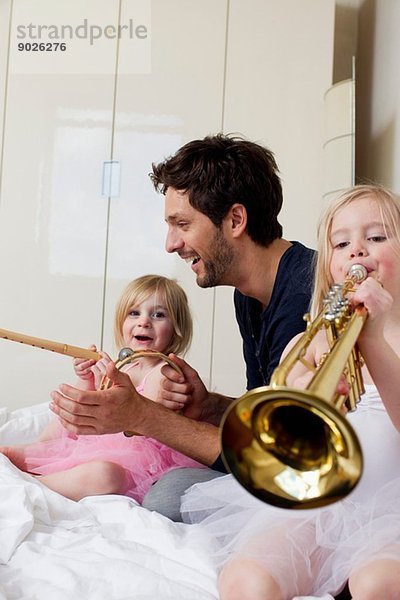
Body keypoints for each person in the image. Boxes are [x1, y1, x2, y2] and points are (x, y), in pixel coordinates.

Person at [49, 134, 315, 519]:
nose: (171, 244)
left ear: (236, 220)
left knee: (169, 495)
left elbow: (277, 457)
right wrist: (209, 406)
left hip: (301, 474)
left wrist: (141, 416)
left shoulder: (306, 294)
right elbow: (268, 416)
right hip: (282, 454)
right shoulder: (249, 294)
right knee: (170, 491)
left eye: (182, 224)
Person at [181, 183, 400, 600]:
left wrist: (371, 339)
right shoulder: (310, 340)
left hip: (393, 510)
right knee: (247, 579)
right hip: (324, 506)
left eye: (376, 237)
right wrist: (299, 386)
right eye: (341, 243)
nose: (357, 250)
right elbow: (278, 406)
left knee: (378, 585)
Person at [0, 275, 205, 502]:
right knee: (61, 423)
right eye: (134, 313)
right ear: (121, 322)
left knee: (105, 475)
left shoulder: (165, 371)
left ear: (177, 329)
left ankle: (30, 485)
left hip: (136, 462)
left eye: (158, 315)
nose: (144, 322)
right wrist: (88, 378)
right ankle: (29, 451)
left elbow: (144, 417)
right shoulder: (122, 366)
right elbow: (87, 412)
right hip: (95, 445)